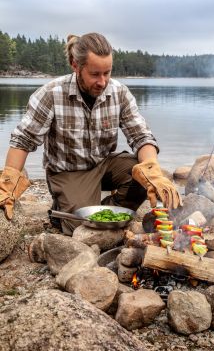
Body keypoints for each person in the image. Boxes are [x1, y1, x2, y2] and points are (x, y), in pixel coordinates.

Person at [0, 32, 181, 235]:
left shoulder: (119, 93)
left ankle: (104, 210)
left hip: (104, 164)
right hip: (68, 172)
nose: (102, 82)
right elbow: (23, 140)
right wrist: (8, 183)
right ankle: (64, 209)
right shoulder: (51, 94)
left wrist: (152, 169)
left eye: (107, 73)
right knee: (80, 228)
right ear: (75, 65)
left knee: (144, 175)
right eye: (95, 74)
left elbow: (141, 136)